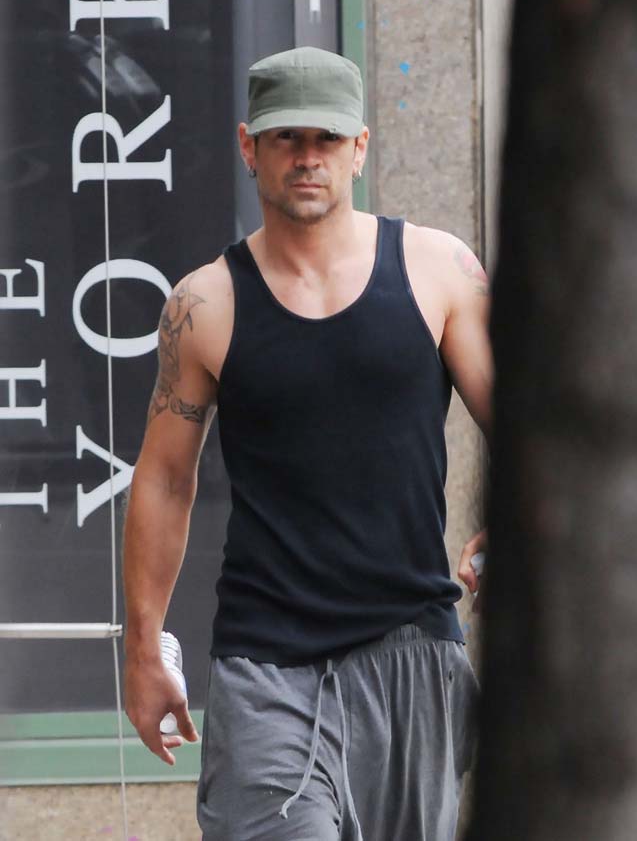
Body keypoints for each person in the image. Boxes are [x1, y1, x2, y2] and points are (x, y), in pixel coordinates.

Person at [123, 46, 492, 841]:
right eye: (286, 137)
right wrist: (144, 645)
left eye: (326, 138)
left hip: (411, 651)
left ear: (360, 147)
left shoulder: (439, 270)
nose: (307, 156)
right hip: (267, 668)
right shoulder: (205, 303)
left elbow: (529, 428)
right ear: (249, 146)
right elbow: (164, 479)